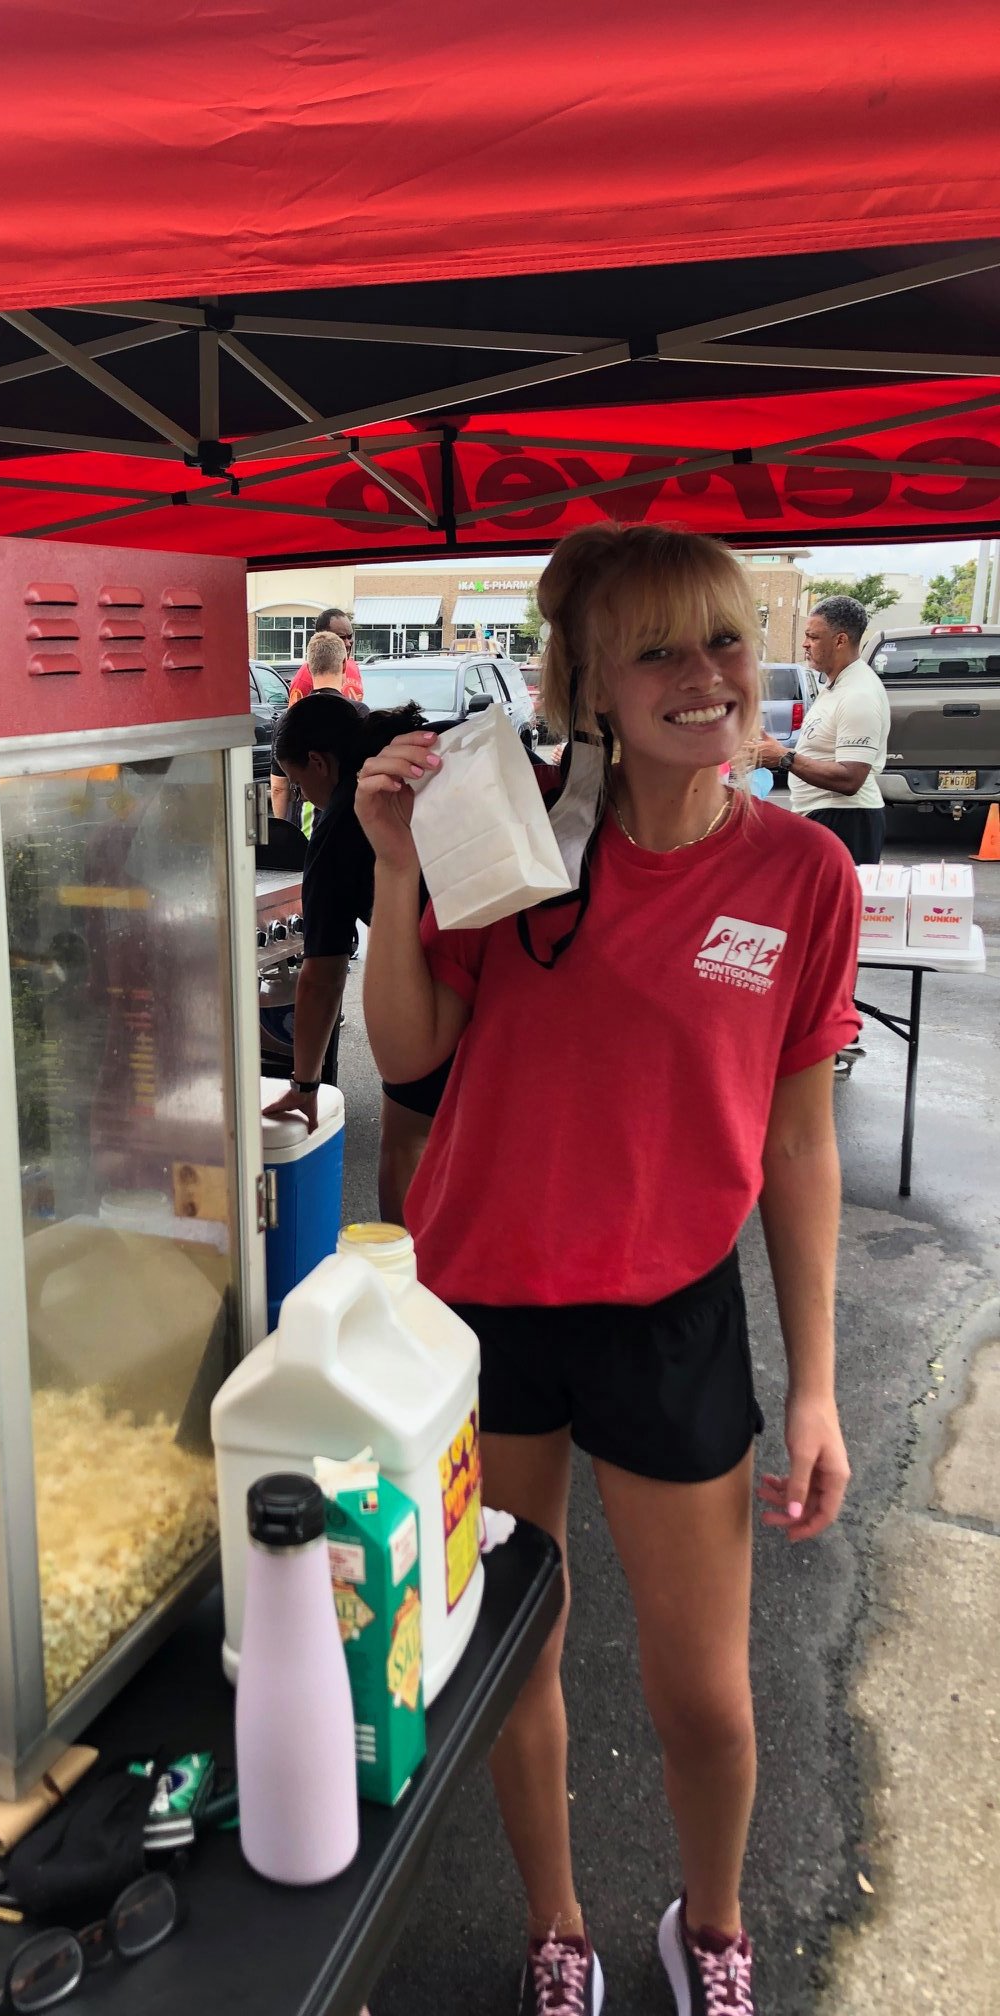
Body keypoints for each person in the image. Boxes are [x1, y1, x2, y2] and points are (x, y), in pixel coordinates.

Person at [356, 523, 859, 2016]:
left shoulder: (803, 873)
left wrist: (817, 1386)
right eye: (656, 650)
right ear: (590, 685)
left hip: (670, 1317)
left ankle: (713, 1928)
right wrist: (396, 871)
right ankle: (557, 1926)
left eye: (724, 638)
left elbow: (800, 1145)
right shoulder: (509, 840)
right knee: (517, 1663)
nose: (705, 675)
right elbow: (408, 1057)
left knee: (705, 1695)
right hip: (488, 1306)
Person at [265, 692, 450, 1224]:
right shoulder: (430, 751)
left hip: (439, 985)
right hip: (527, 963)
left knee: (407, 1141)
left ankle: (404, 1264)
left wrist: (305, 1085)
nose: (304, 795)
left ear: (319, 762)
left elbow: (321, 977)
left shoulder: (342, 822)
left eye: (299, 782)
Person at [756, 593, 890, 865]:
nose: (805, 644)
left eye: (813, 637)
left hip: (846, 818)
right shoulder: (836, 685)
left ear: (840, 640)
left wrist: (784, 757)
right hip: (825, 814)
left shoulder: (858, 694)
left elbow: (851, 778)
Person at [270, 610, 364, 822]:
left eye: (350, 637)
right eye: (341, 637)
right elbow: (293, 746)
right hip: (314, 812)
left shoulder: (355, 673)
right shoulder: (302, 686)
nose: (347, 643)